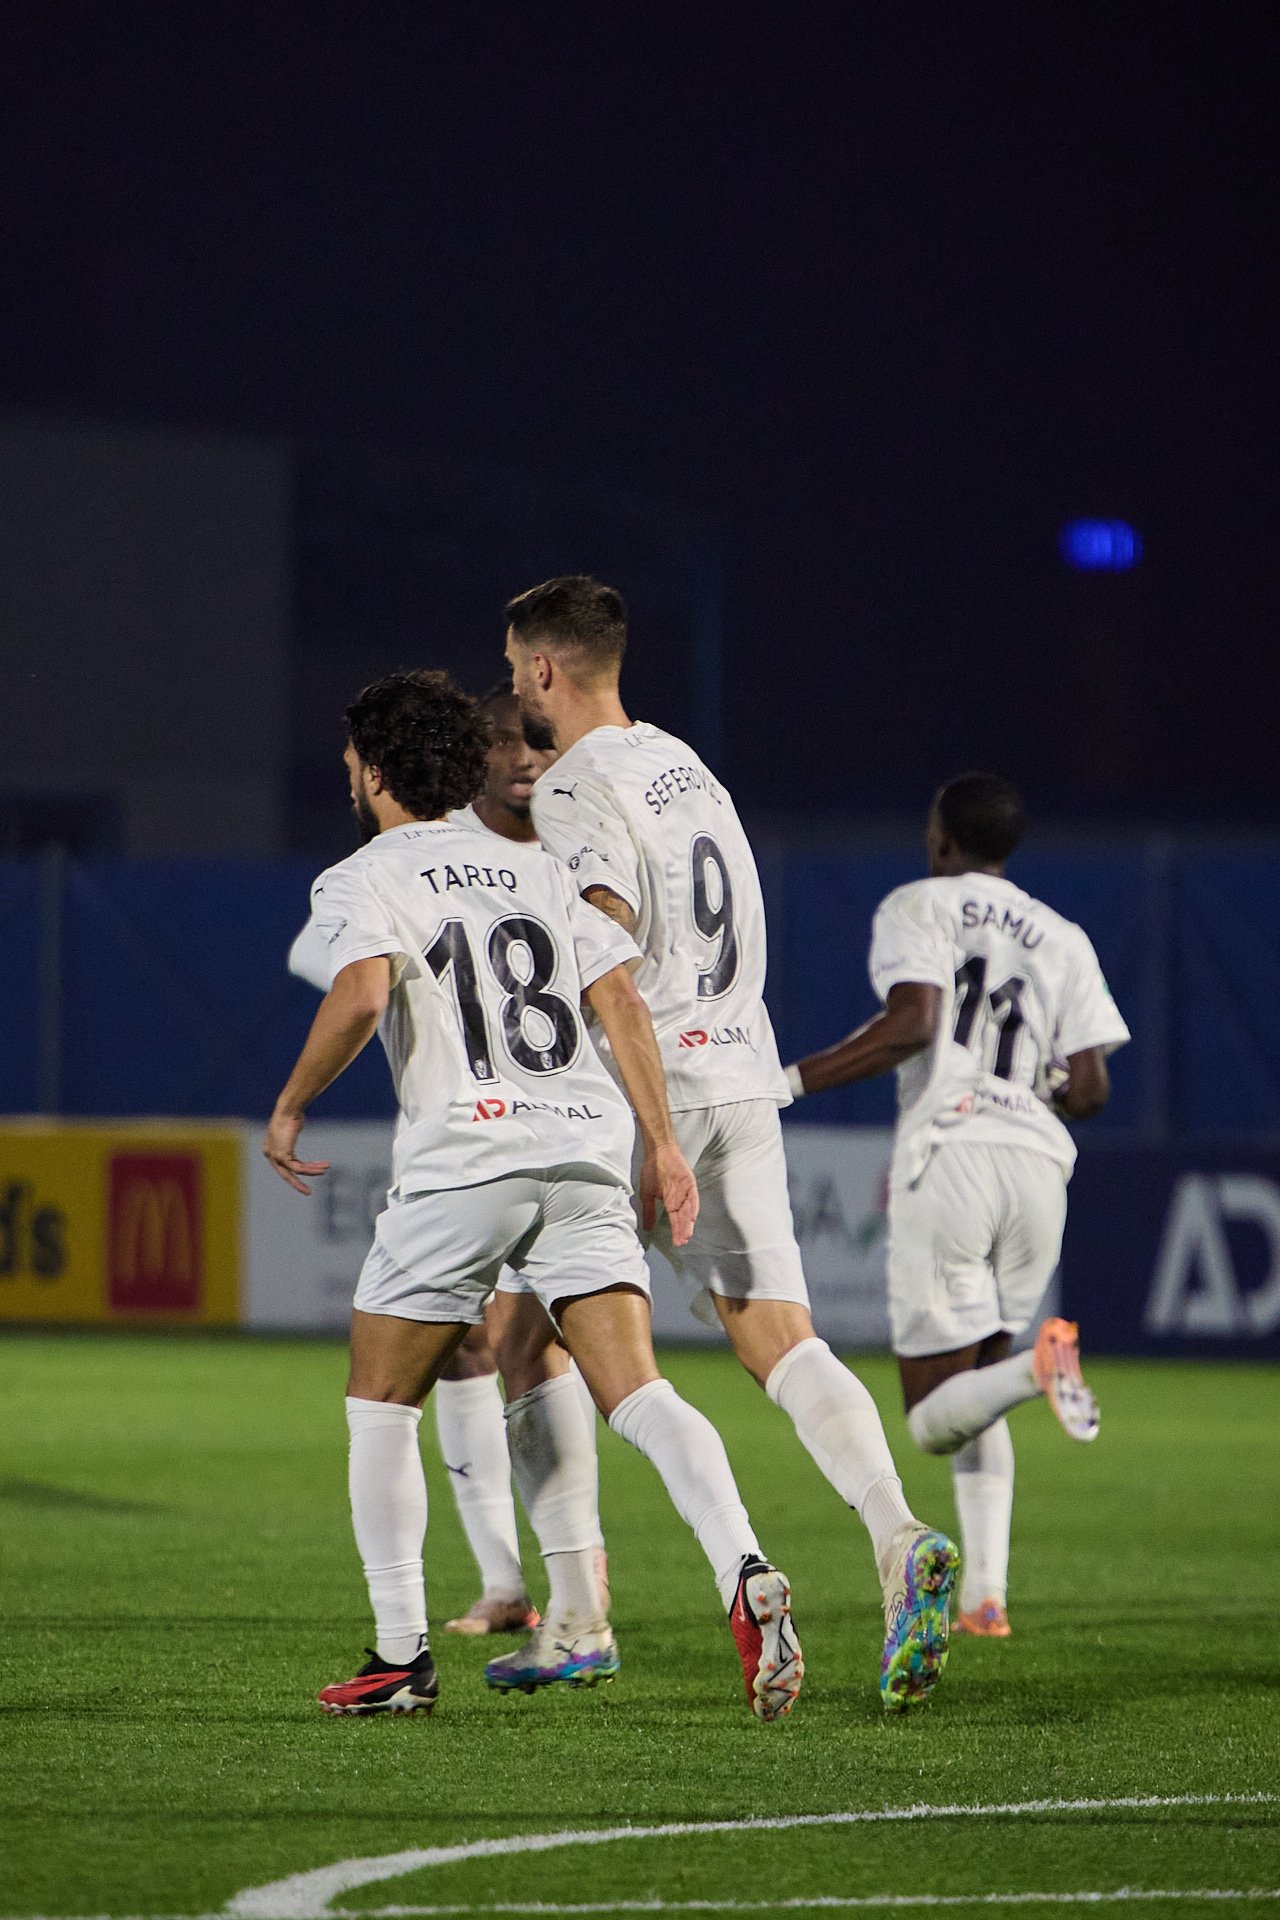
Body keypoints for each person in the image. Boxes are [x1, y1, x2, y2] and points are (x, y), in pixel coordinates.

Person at [266, 668, 802, 1720]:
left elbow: (362, 993)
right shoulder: (545, 870)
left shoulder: (362, 875)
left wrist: (289, 1106)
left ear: (374, 774)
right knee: (637, 1392)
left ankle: (399, 1659)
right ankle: (741, 1562)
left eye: (352, 763)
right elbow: (621, 1001)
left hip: (468, 1157)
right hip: (586, 1147)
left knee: (380, 1402)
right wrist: (662, 1145)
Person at [503, 575, 957, 1713]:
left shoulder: (572, 787)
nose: (515, 690)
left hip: (636, 1095)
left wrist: (651, 1132)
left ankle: (604, 1611)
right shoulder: (687, 765)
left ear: (545, 670)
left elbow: (607, 955)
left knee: (531, 1346)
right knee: (784, 1345)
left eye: (515, 671)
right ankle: (897, 1532)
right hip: (741, 1078)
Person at [782, 772, 1130, 1637]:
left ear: (941, 838)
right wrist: (1040, 1081)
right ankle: (986, 1597)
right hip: (1039, 1165)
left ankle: (1038, 1370)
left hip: (952, 1154)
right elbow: (1091, 1089)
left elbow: (914, 1023)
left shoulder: (920, 904)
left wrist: (789, 1080)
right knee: (977, 1389)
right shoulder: (1065, 936)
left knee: (933, 1421)